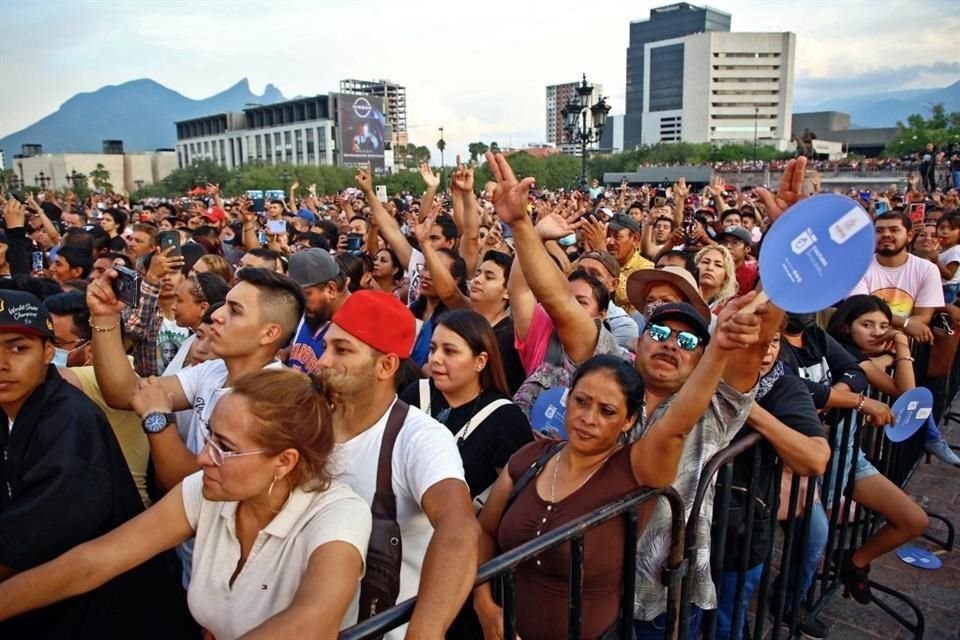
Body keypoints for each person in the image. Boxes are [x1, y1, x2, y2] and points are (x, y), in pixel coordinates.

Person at [474, 290, 775, 639]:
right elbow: (484, 530)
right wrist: (484, 602)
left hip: (654, 605)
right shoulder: (531, 458)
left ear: (629, 420)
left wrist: (722, 348)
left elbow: (675, 428)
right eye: (582, 402)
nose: (589, 418)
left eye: (607, 411)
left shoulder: (634, 468)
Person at [0, 368, 374, 639]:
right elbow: (92, 563)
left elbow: (312, 622)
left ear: (285, 461)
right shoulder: (210, 490)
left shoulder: (338, 514)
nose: (202, 458)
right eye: (210, 436)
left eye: (225, 448)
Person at [0, 290, 176, 638]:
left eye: (18, 348)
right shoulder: (14, 407)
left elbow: (32, 543)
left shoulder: (68, 422)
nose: (2, 364)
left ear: (50, 352)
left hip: (93, 611)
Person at [316, 289, 480, 639]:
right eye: (327, 346)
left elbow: (459, 532)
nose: (324, 361)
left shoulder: (420, 438)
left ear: (386, 365)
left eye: (342, 350)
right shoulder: (305, 421)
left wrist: (424, 633)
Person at [712, 332, 831, 640]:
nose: (764, 350)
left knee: (727, 620)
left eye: (774, 341)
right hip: (695, 528)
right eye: (752, 341)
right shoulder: (698, 377)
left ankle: (786, 603)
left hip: (741, 529)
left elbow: (816, 459)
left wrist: (743, 403)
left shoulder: (785, 385)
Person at [400, 309, 533, 504]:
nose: (435, 358)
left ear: (480, 361)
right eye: (433, 348)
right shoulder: (415, 394)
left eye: (449, 351)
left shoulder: (505, 418)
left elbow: (516, 498)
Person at [827, 294, 959, 466]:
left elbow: (907, 394)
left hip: (846, 448)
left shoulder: (860, 354)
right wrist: (901, 342)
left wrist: (894, 349)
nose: (877, 332)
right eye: (867, 325)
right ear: (846, 327)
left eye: (884, 326)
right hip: (833, 446)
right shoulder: (846, 354)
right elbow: (906, 393)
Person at [849, 211, 944, 343]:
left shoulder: (928, 269)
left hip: (906, 341)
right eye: (879, 231)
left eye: (894, 230)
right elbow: (861, 311)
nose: (886, 234)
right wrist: (904, 324)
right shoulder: (857, 268)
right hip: (865, 340)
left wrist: (896, 335)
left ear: (910, 236)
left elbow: (922, 317)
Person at [287, 248, 350, 374]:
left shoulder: (357, 329)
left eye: (305, 294)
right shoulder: (315, 313)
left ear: (331, 289)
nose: (299, 302)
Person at [715, 225, 759, 297]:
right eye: (724, 242)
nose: (728, 246)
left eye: (735, 242)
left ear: (747, 249)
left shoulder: (754, 277)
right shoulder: (712, 270)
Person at [694, 244, 738, 313]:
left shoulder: (730, 307)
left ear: (726, 276)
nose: (709, 268)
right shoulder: (681, 297)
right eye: (705, 262)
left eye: (718, 265)